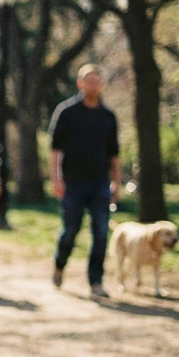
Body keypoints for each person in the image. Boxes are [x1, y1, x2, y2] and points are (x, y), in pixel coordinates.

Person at [50, 64, 120, 298]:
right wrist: (56, 179)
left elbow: (114, 153)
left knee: (101, 232)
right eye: (88, 81)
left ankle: (96, 282)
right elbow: (55, 149)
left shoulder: (108, 116)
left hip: (100, 182)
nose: (93, 85)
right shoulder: (67, 112)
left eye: (97, 81)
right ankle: (60, 264)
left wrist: (116, 182)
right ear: (80, 83)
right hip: (73, 183)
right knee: (70, 230)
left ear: (102, 85)